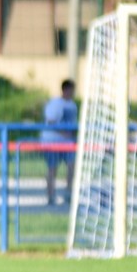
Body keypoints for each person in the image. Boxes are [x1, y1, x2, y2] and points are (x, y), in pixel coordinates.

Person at [41, 78, 78, 206]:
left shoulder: (72, 105)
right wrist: (63, 133)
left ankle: (68, 193)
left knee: (72, 166)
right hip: (52, 142)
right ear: (66, 90)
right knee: (52, 168)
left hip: (67, 143)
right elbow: (50, 121)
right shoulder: (55, 103)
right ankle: (50, 195)